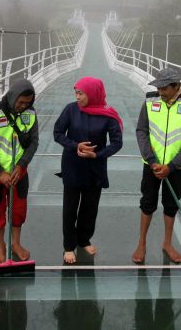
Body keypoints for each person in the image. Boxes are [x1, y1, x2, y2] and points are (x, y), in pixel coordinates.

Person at [132, 67, 181, 264]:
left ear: (176, 86)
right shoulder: (150, 101)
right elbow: (141, 131)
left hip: (176, 168)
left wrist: (171, 166)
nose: (160, 92)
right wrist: (152, 161)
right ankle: (142, 243)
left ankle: (167, 243)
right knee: (147, 203)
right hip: (152, 165)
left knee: (171, 205)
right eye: (159, 88)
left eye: (164, 89)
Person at [53, 77, 123, 264]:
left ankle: (83, 240)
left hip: (95, 167)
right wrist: (75, 145)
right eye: (76, 92)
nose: (77, 96)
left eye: (81, 93)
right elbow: (58, 133)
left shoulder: (108, 114)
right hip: (72, 165)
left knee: (90, 207)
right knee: (70, 207)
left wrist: (98, 155)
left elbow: (117, 143)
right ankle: (68, 246)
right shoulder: (71, 109)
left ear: (92, 93)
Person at [0, 79, 39, 264]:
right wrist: (0, 172)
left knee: (18, 211)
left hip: (19, 173)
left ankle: (15, 244)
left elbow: (34, 142)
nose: (23, 107)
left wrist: (21, 166)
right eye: (20, 102)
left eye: (27, 103)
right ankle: (0, 247)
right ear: (12, 96)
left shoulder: (31, 114)